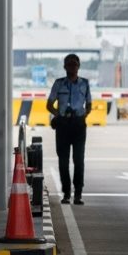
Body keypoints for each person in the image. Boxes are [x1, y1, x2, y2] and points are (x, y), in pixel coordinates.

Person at [46, 53, 92, 205]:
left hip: (78, 125)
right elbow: (49, 104)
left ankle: (78, 194)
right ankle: (66, 193)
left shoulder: (85, 83)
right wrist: (59, 115)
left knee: (79, 160)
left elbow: (89, 104)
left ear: (79, 66)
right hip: (63, 125)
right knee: (63, 161)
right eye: (69, 64)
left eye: (75, 64)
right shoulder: (59, 84)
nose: (72, 67)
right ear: (64, 66)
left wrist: (82, 115)